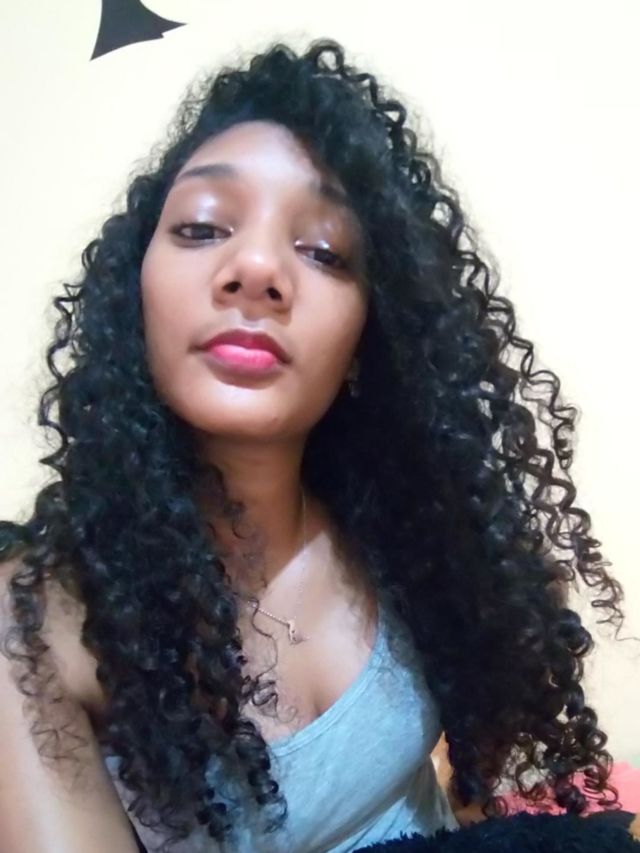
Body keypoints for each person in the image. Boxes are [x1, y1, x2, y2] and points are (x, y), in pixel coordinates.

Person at [0, 37, 626, 853]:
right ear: (132, 300)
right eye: (201, 227)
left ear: (368, 338)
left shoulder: (404, 525)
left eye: (325, 251)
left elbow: (477, 784)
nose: (257, 267)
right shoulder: (33, 625)